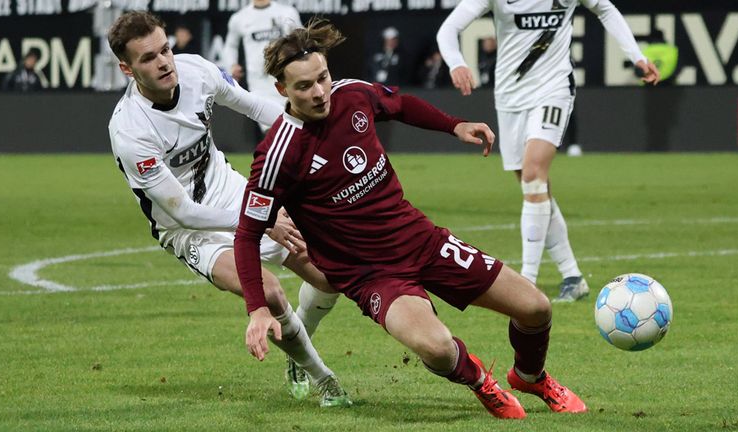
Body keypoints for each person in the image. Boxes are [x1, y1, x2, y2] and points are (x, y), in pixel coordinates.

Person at [235, 18, 586, 420]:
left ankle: (530, 376)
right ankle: (479, 381)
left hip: (422, 241)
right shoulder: (277, 153)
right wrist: (257, 309)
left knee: (536, 307)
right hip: (372, 275)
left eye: (323, 78)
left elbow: (400, 105)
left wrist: (455, 125)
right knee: (437, 347)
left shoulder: (352, 95)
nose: (319, 93)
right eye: (304, 87)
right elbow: (246, 235)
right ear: (282, 90)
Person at [106, 11, 350, 408]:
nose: (164, 62)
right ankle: (323, 379)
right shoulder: (131, 131)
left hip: (233, 192)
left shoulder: (198, 71)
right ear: (127, 68)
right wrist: (263, 218)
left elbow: (258, 109)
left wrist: (318, 133)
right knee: (269, 291)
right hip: (188, 230)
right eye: (148, 58)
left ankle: (297, 340)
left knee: (331, 277)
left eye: (165, 49)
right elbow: (183, 211)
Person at [437, 0, 660, 302]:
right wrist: (456, 62)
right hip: (510, 97)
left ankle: (526, 280)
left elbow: (605, 8)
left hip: (553, 89)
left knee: (533, 176)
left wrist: (636, 56)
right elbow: (448, 29)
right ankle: (573, 276)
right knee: (535, 189)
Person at [222, 0, 302, 131]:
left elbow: (302, 39)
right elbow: (230, 46)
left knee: (295, 126)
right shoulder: (239, 18)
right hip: (259, 84)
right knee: (273, 129)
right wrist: (231, 65)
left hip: (287, 79)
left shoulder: (288, 13)